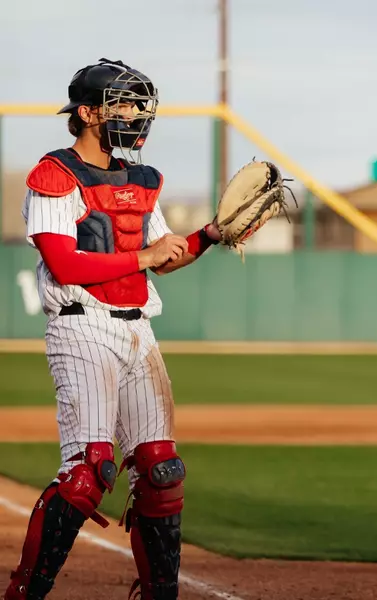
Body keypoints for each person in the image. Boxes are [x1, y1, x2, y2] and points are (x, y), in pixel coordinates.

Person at [5, 58, 223, 600]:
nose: (136, 115)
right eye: (123, 104)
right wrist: (146, 255)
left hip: (137, 331)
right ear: (86, 113)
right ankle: (23, 592)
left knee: (161, 471)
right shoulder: (54, 173)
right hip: (81, 329)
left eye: (138, 104)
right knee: (89, 474)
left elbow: (163, 257)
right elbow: (66, 264)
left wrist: (213, 233)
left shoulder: (141, 179)